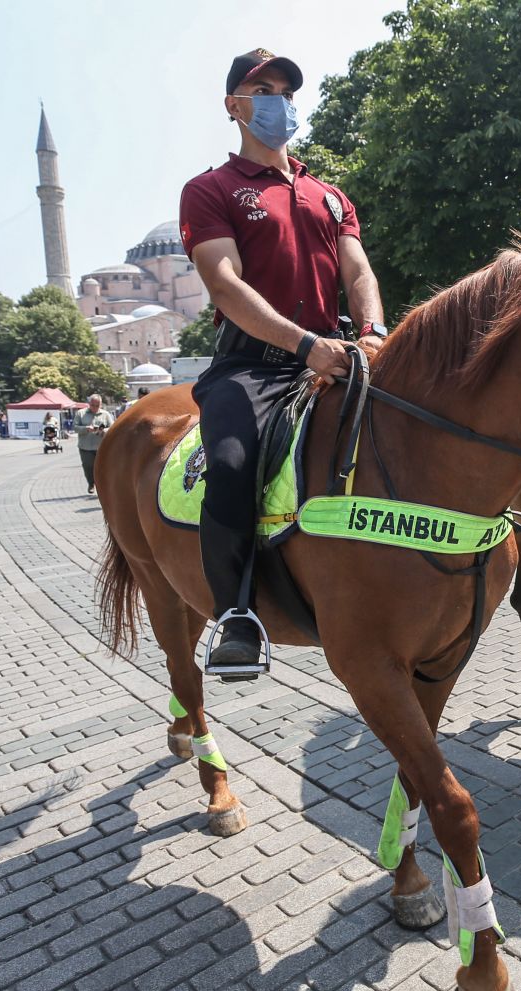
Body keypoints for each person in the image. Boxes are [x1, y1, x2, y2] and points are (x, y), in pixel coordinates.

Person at [179, 47, 388, 672]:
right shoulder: (209, 190)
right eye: (262, 89)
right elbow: (224, 285)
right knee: (233, 462)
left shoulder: (329, 195)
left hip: (339, 354)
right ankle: (236, 614)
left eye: (286, 92)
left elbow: (359, 271)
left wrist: (374, 331)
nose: (279, 101)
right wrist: (304, 345)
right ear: (234, 106)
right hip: (251, 367)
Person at [76, 394, 112, 495]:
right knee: (88, 466)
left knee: (103, 468)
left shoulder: (106, 414)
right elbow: (75, 427)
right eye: (92, 405)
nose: (94, 408)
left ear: (100, 405)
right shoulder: (81, 413)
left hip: (101, 447)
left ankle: (103, 486)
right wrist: (86, 428)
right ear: (89, 404)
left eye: (97, 405)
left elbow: (112, 427)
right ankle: (91, 483)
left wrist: (104, 430)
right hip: (85, 446)